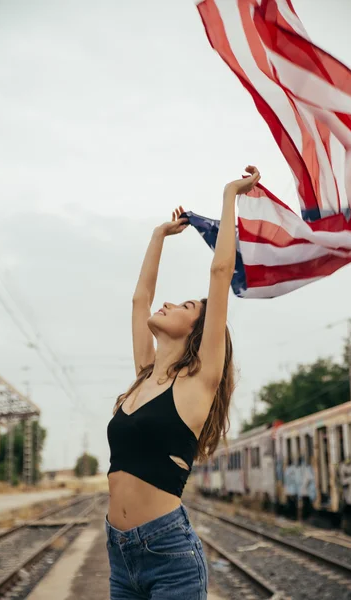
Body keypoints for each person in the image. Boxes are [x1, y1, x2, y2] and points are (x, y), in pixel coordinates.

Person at [106, 166, 261, 599]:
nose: (168, 303)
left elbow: (220, 272)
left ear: (197, 330)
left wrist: (230, 194)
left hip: (169, 557)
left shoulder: (198, 384)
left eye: (185, 304)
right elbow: (140, 300)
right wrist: (158, 235)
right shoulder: (143, 376)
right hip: (119, 556)